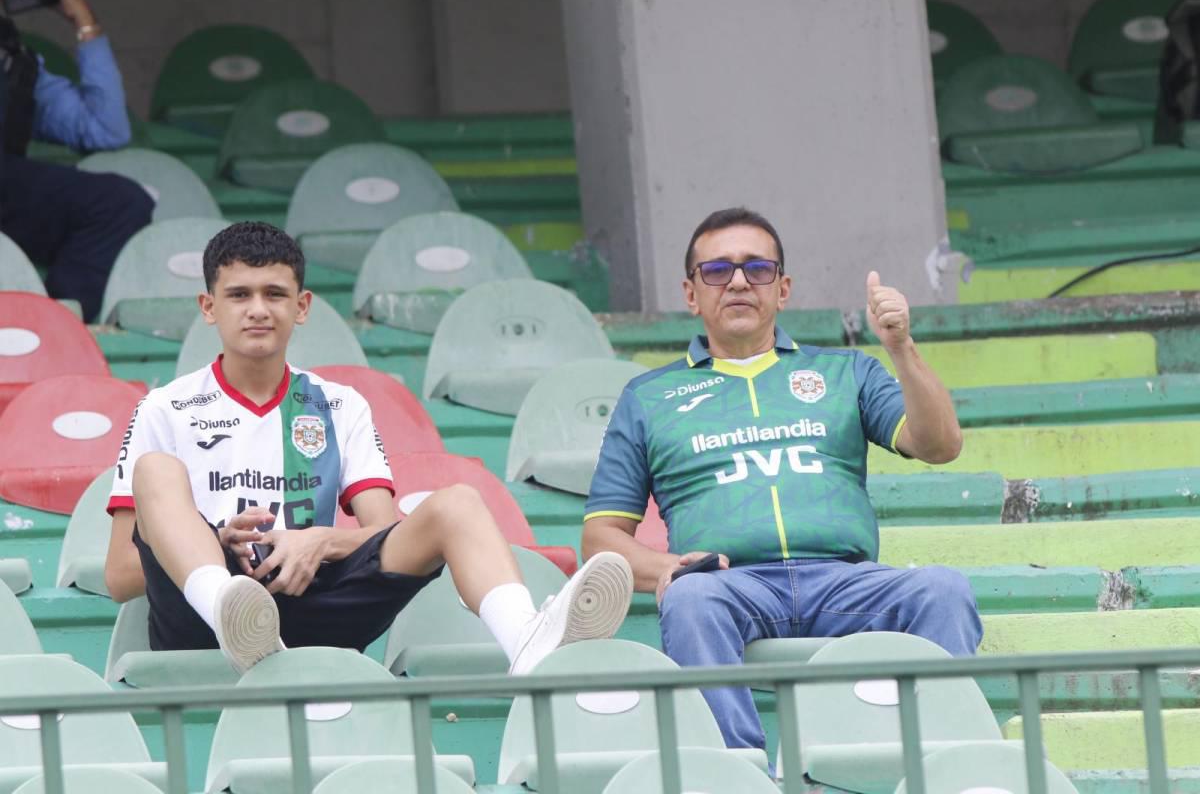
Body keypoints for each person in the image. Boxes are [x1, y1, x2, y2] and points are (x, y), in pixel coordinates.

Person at [104, 221, 634, 674]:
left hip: (311, 597)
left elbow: (384, 533)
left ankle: (529, 646)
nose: (258, 310)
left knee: (458, 504)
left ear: (303, 306)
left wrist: (315, 541)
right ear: (208, 307)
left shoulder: (338, 405)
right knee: (154, 469)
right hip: (202, 617)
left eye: (275, 294)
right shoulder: (164, 408)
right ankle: (232, 610)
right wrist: (213, 541)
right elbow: (121, 577)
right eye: (239, 295)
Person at [582, 207, 982, 751]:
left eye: (758, 268)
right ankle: (738, 778)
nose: (740, 281)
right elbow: (601, 538)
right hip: (731, 587)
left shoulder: (847, 371)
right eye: (718, 270)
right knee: (690, 600)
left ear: (784, 287)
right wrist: (669, 569)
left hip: (845, 581)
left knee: (944, 589)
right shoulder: (648, 397)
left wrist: (900, 348)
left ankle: (947, 767)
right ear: (691, 293)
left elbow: (940, 445)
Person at [0, 0, 152, 321]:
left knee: (119, 203)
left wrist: (84, 22)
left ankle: (58, 330)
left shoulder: (12, 59)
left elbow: (105, 129)